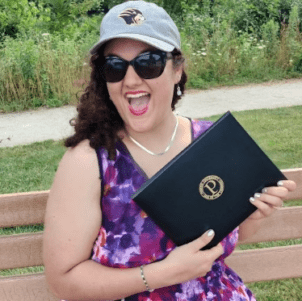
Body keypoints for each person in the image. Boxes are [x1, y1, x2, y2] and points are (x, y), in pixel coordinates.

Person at [43, 1, 296, 300]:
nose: (131, 80)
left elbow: (222, 237)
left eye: (148, 62)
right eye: (114, 67)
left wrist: (251, 215)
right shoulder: (90, 161)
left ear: (177, 70)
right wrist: (164, 273)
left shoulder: (211, 142)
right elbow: (63, 281)